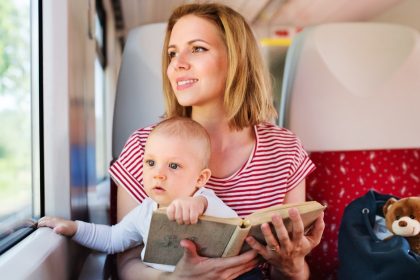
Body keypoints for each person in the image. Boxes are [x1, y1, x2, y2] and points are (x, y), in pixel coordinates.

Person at [111, 3, 325, 280]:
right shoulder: (143, 146)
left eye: (197, 48)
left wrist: (293, 266)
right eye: (172, 53)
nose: (177, 64)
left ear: (236, 59)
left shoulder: (285, 150)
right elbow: (126, 263)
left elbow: (290, 274)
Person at [38, 117, 238, 272]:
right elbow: (111, 238)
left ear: (200, 179)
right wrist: (74, 228)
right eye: (150, 163)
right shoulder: (144, 211)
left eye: (174, 166)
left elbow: (237, 229)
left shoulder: (205, 201)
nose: (158, 174)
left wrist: (198, 205)